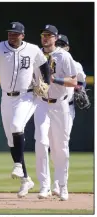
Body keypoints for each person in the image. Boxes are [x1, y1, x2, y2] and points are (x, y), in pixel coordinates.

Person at [0, 20, 50, 198]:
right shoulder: (0, 47)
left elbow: (44, 66)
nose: (11, 35)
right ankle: (26, 179)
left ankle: (18, 165)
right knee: (11, 140)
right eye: (10, 32)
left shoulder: (32, 49)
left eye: (15, 33)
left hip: (26, 96)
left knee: (17, 126)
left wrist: (46, 82)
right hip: (6, 97)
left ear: (22, 35)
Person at [34, 25, 77, 201]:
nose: (45, 38)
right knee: (41, 142)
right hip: (42, 104)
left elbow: (74, 81)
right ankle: (44, 186)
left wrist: (55, 80)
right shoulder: (36, 54)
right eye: (43, 35)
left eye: (49, 35)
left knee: (61, 147)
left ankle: (62, 186)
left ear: (56, 38)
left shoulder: (64, 56)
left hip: (60, 105)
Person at [51, 34, 86, 196]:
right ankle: (56, 182)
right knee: (51, 145)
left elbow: (81, 81)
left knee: (62, 144)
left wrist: (81, 89)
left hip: (67, 106)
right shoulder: (48, 60)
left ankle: (62, 183)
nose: (59, 45)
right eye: (57, 43)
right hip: (49, 105)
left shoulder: (74, 63)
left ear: (67, 47)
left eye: (62, 44)